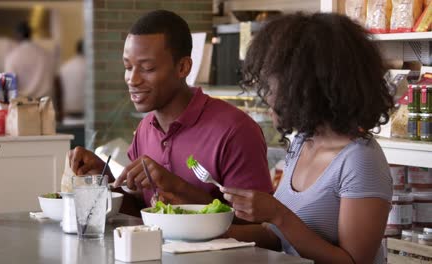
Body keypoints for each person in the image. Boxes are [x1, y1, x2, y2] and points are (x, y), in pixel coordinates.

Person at [221, 13, 394, 264]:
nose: (267, 97)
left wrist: (278, 214)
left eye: (272, 85)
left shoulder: (360, 160)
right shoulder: (303, 141)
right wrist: (209, 231)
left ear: (305, 86)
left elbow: (354, 261)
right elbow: (278, 236)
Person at [70, 10, 273, 216]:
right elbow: (143, 212)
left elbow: (262, 228)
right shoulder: (145, 129)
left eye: (147, 68)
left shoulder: (235, 131)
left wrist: (177, 187)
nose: (132, 79)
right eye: (128, 67)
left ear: (183, 67)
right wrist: (104, 178)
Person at [4, 21, 55, 99]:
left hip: (22, 104)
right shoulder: (44, 54)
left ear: (17, 35)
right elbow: (52, 77)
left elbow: (10, 84)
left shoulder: (13, 57)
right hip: (43, 103)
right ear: (30, 34)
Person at [58, 39, 86, 118]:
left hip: (68, 116)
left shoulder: (65, 67)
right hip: (87, 116)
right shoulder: (91, 69)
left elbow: (59, 91)